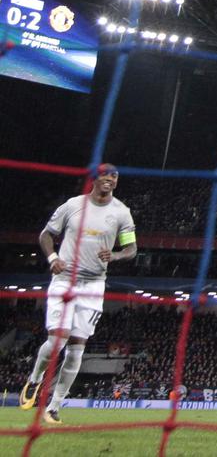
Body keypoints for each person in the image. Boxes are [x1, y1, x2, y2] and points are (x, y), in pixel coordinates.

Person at [19, 164, 137, 426]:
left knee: (76, 351)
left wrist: (116, 255)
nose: (109, 179)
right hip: (65, 279)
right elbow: (46, 235)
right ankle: (35, 379)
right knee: (57, 342)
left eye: (114, 176)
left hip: (94, 285)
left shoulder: (121, 212)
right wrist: (52, 257)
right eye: (105, 175)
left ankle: (54, 407)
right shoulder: (72, 206)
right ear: (94, 178)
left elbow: (131, 248)